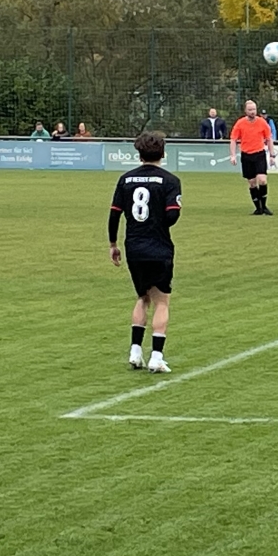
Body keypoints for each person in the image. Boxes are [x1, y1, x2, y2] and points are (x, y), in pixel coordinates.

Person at [109, 129, 180, 373]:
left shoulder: (125, 179)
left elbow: (115, 214)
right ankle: (156, 357)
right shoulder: (170, 181)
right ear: (163, 153)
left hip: (134, 246)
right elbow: (172, 216)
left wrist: (113, 244)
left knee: (142, 297)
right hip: (159, 246)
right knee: (162, 300)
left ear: (139, 154)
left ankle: (135, 352)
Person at [229, 99, 274, 215]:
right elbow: (233, 139)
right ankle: (258, 208)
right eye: (250, 110)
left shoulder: (262, 122)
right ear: (245, 111)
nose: (252, 112)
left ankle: (264, 206)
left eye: (254, 109)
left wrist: (272, 155)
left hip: (259, 154)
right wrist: (233, 155)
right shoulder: (240, 123)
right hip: (246, 156)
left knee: (262, 180)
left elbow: (269, 139)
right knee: (252, 182)